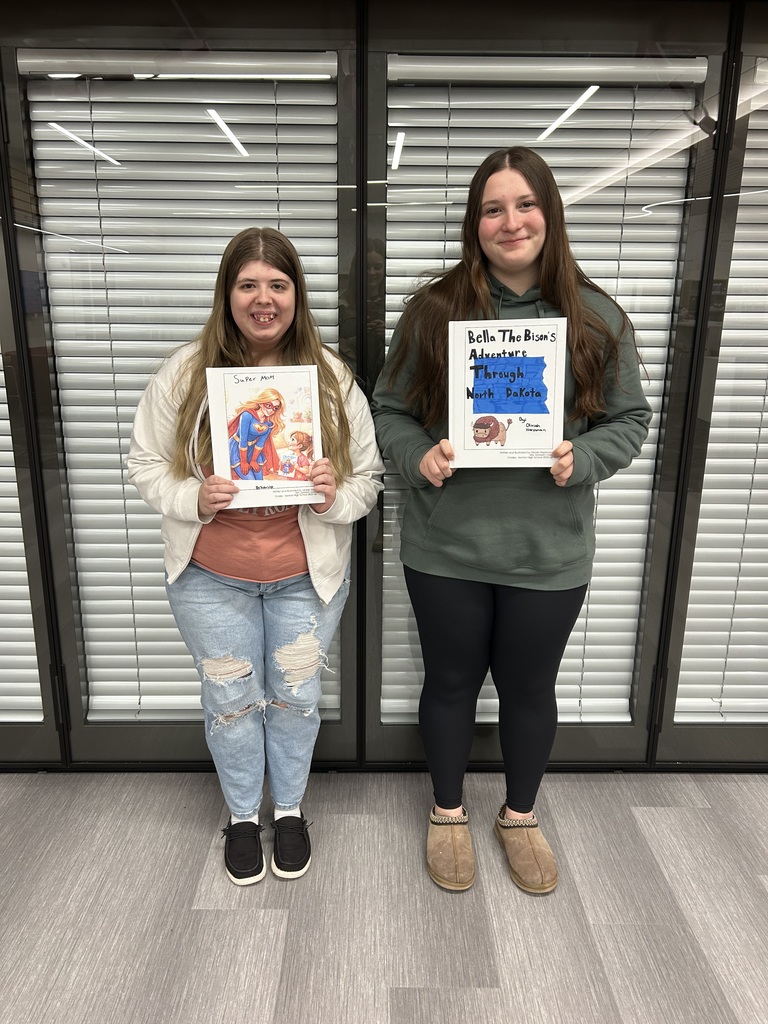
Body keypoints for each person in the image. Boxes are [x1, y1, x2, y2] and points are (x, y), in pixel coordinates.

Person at [371, 147, 651, 894]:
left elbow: (630, 420)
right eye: (493, 208)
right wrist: (418, 457)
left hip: (548, 549)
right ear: (474, 224)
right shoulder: (433, 312)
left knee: (530, 689)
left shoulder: (597, 316)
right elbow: (389, 412)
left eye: (525, 204)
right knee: (451, 682)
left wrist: (582, 459)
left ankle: (520, 816)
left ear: (550, 214)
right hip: (445, 545)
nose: (510, 221)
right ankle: (447, 813)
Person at [127, 227, 384, 886]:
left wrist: (331, 498)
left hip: (303, 580)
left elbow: (370, 480)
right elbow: (144, 465)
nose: (263, 299)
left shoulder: (330, 379)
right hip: (212, 580)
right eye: (248, 285)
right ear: (227, 293)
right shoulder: (184, 374)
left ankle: (290, 809)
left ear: (296, 295)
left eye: (277, 284)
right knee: (231, 699)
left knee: (296, 698)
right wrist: (193, 495)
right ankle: (244, 816)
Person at [338, 238, 387, 384]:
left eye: (377, 267)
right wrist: (355, 339)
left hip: (386, 375)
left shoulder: (393, 303)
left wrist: (387, 334)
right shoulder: (342, 304)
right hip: (350, 376)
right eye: (366, 267)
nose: (372, 272)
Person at [228, 388, 284, 480]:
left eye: (275, 408)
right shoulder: (247, 415)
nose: (271, 410)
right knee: (251, 481)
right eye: (269, 405)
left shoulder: (269, 424)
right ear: (261, 403)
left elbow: (260, 443)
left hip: (253, 451)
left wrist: (253, 460)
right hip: (237, 449)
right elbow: (243, 440)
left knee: (259, 480)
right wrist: (244, 461)